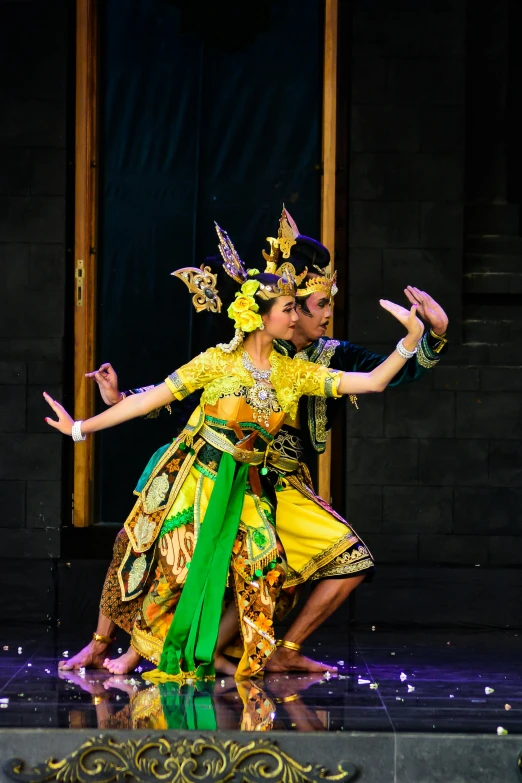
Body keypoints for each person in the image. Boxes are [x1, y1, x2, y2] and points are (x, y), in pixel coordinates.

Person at [47, 222, 425, 682]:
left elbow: (374, 381)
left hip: (247, 489)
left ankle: (218, 654)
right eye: (290, 308)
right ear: (262, 317)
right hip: (196, 479)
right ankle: (129, 649)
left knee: (263, 570)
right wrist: (80, 428)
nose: (298, 316)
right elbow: (152, 400)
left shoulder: (292, 373)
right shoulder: (216, 361)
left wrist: (410, 340)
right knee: (161, 561)